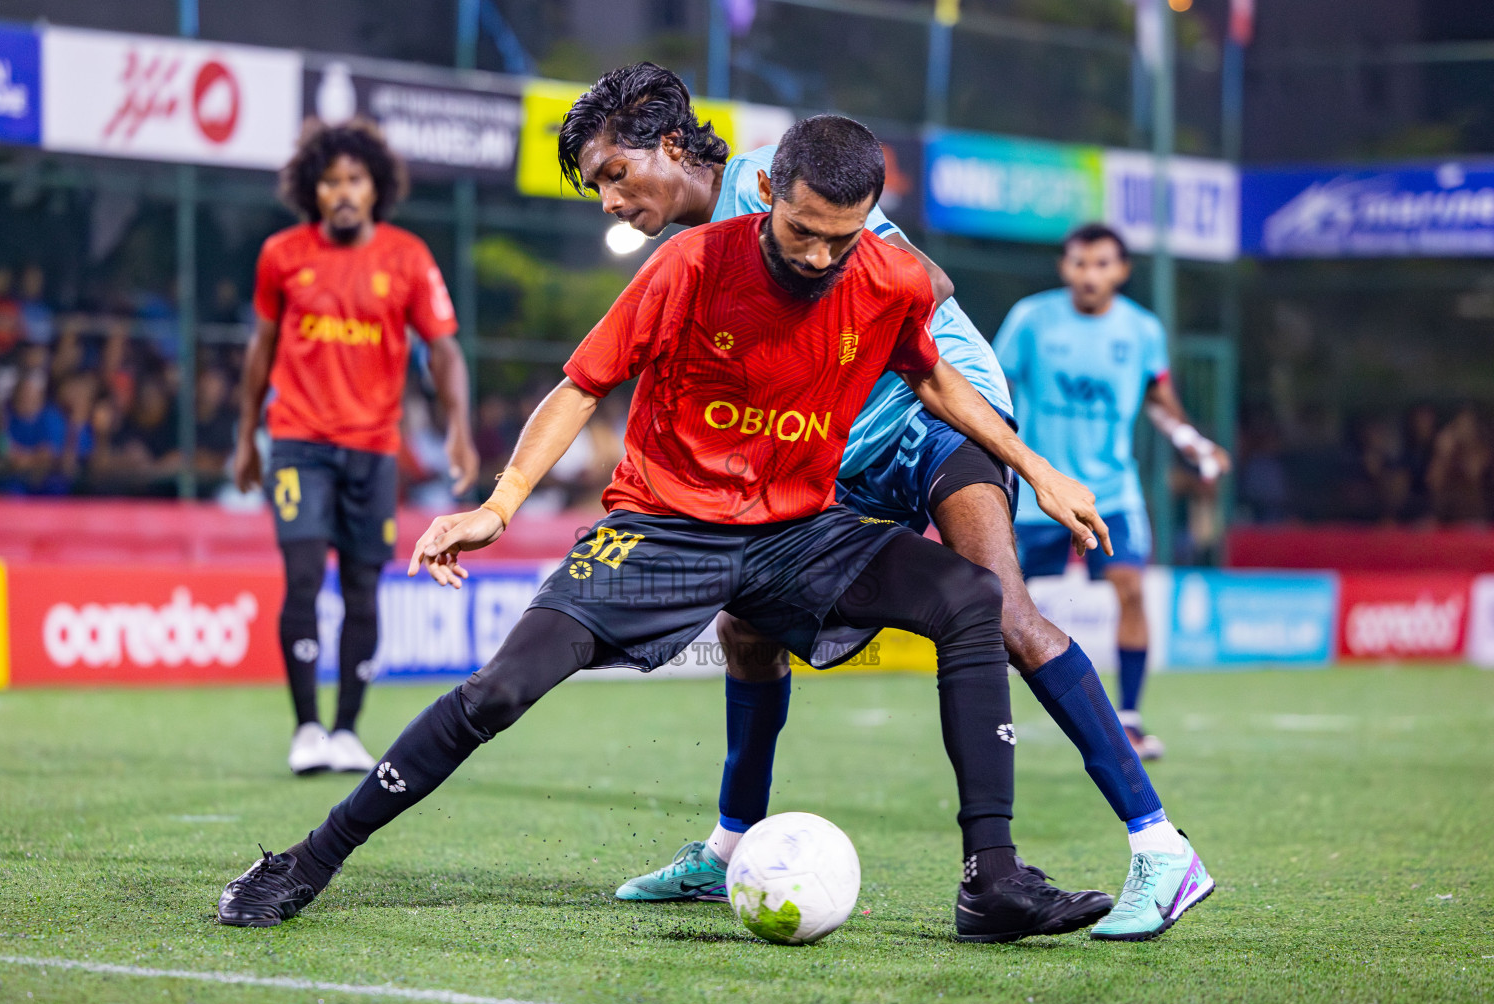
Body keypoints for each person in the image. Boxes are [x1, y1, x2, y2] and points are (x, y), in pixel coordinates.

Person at [217, 115, 1118, 944]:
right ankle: (311, 858)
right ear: (767, 193)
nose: (818, 256)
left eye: (841, 238)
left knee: (972, 599)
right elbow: (581, 385)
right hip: (664, 526)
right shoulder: (690, 263)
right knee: (500, 690)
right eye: (802, 231)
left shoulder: (887, 275)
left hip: (794, 531)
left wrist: (1035, 469)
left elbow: (930, 375)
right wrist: (499, 505)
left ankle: (991, 880)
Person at [559, 62, 1213, 941]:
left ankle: (1161, 847)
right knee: (745, 623)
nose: (608, 197)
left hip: (935, 411)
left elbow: (926, 283)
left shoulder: (774, 179)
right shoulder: (699, 250)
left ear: (670, 146)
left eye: (614, 172)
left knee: (1006, 612)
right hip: (837, 443)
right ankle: (727, 850)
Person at [232, 118, 477, 776]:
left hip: (374, 451)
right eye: (330, 181)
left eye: (354, 180)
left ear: (376, 188)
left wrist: (457, 426)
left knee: (365, 588)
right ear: (313, 190)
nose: (342, 192)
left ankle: (346, 731)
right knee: (305, 578)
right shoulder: (281, 255)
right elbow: (261, 349)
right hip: (297, 445)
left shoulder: (407, 257)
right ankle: (306, 727)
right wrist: (246, 436)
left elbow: (444, 348)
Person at [994, 223, 1232, 761]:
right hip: (1040, 491)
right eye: (1079, 263)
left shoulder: (1141, 330)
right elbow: (991, 389)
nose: (1089, 274)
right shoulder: (1031, 319)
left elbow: (1157, 399)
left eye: (1102, 264)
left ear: (1122, 271)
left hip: (1111, 492)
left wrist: (1194, 444)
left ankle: (1127, 718)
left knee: (1129, 588)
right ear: (1064, 268)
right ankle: (990, 713)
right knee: (1001, 602)